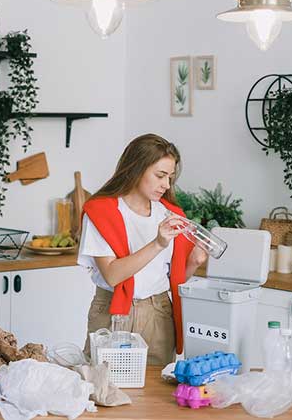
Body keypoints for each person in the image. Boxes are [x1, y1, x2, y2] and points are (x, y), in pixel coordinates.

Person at [78, 134, 208, 365]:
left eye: (170, 177)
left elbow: (172, 279)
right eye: (160, 176)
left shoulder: (171, 214)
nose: (166, 185)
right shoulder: (101, 213)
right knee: (104, 388)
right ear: (136, 169)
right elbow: (113, 274)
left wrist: (194, 262)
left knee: (158, 396)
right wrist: (158, 243)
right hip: (113, 312)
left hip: (158, 313)